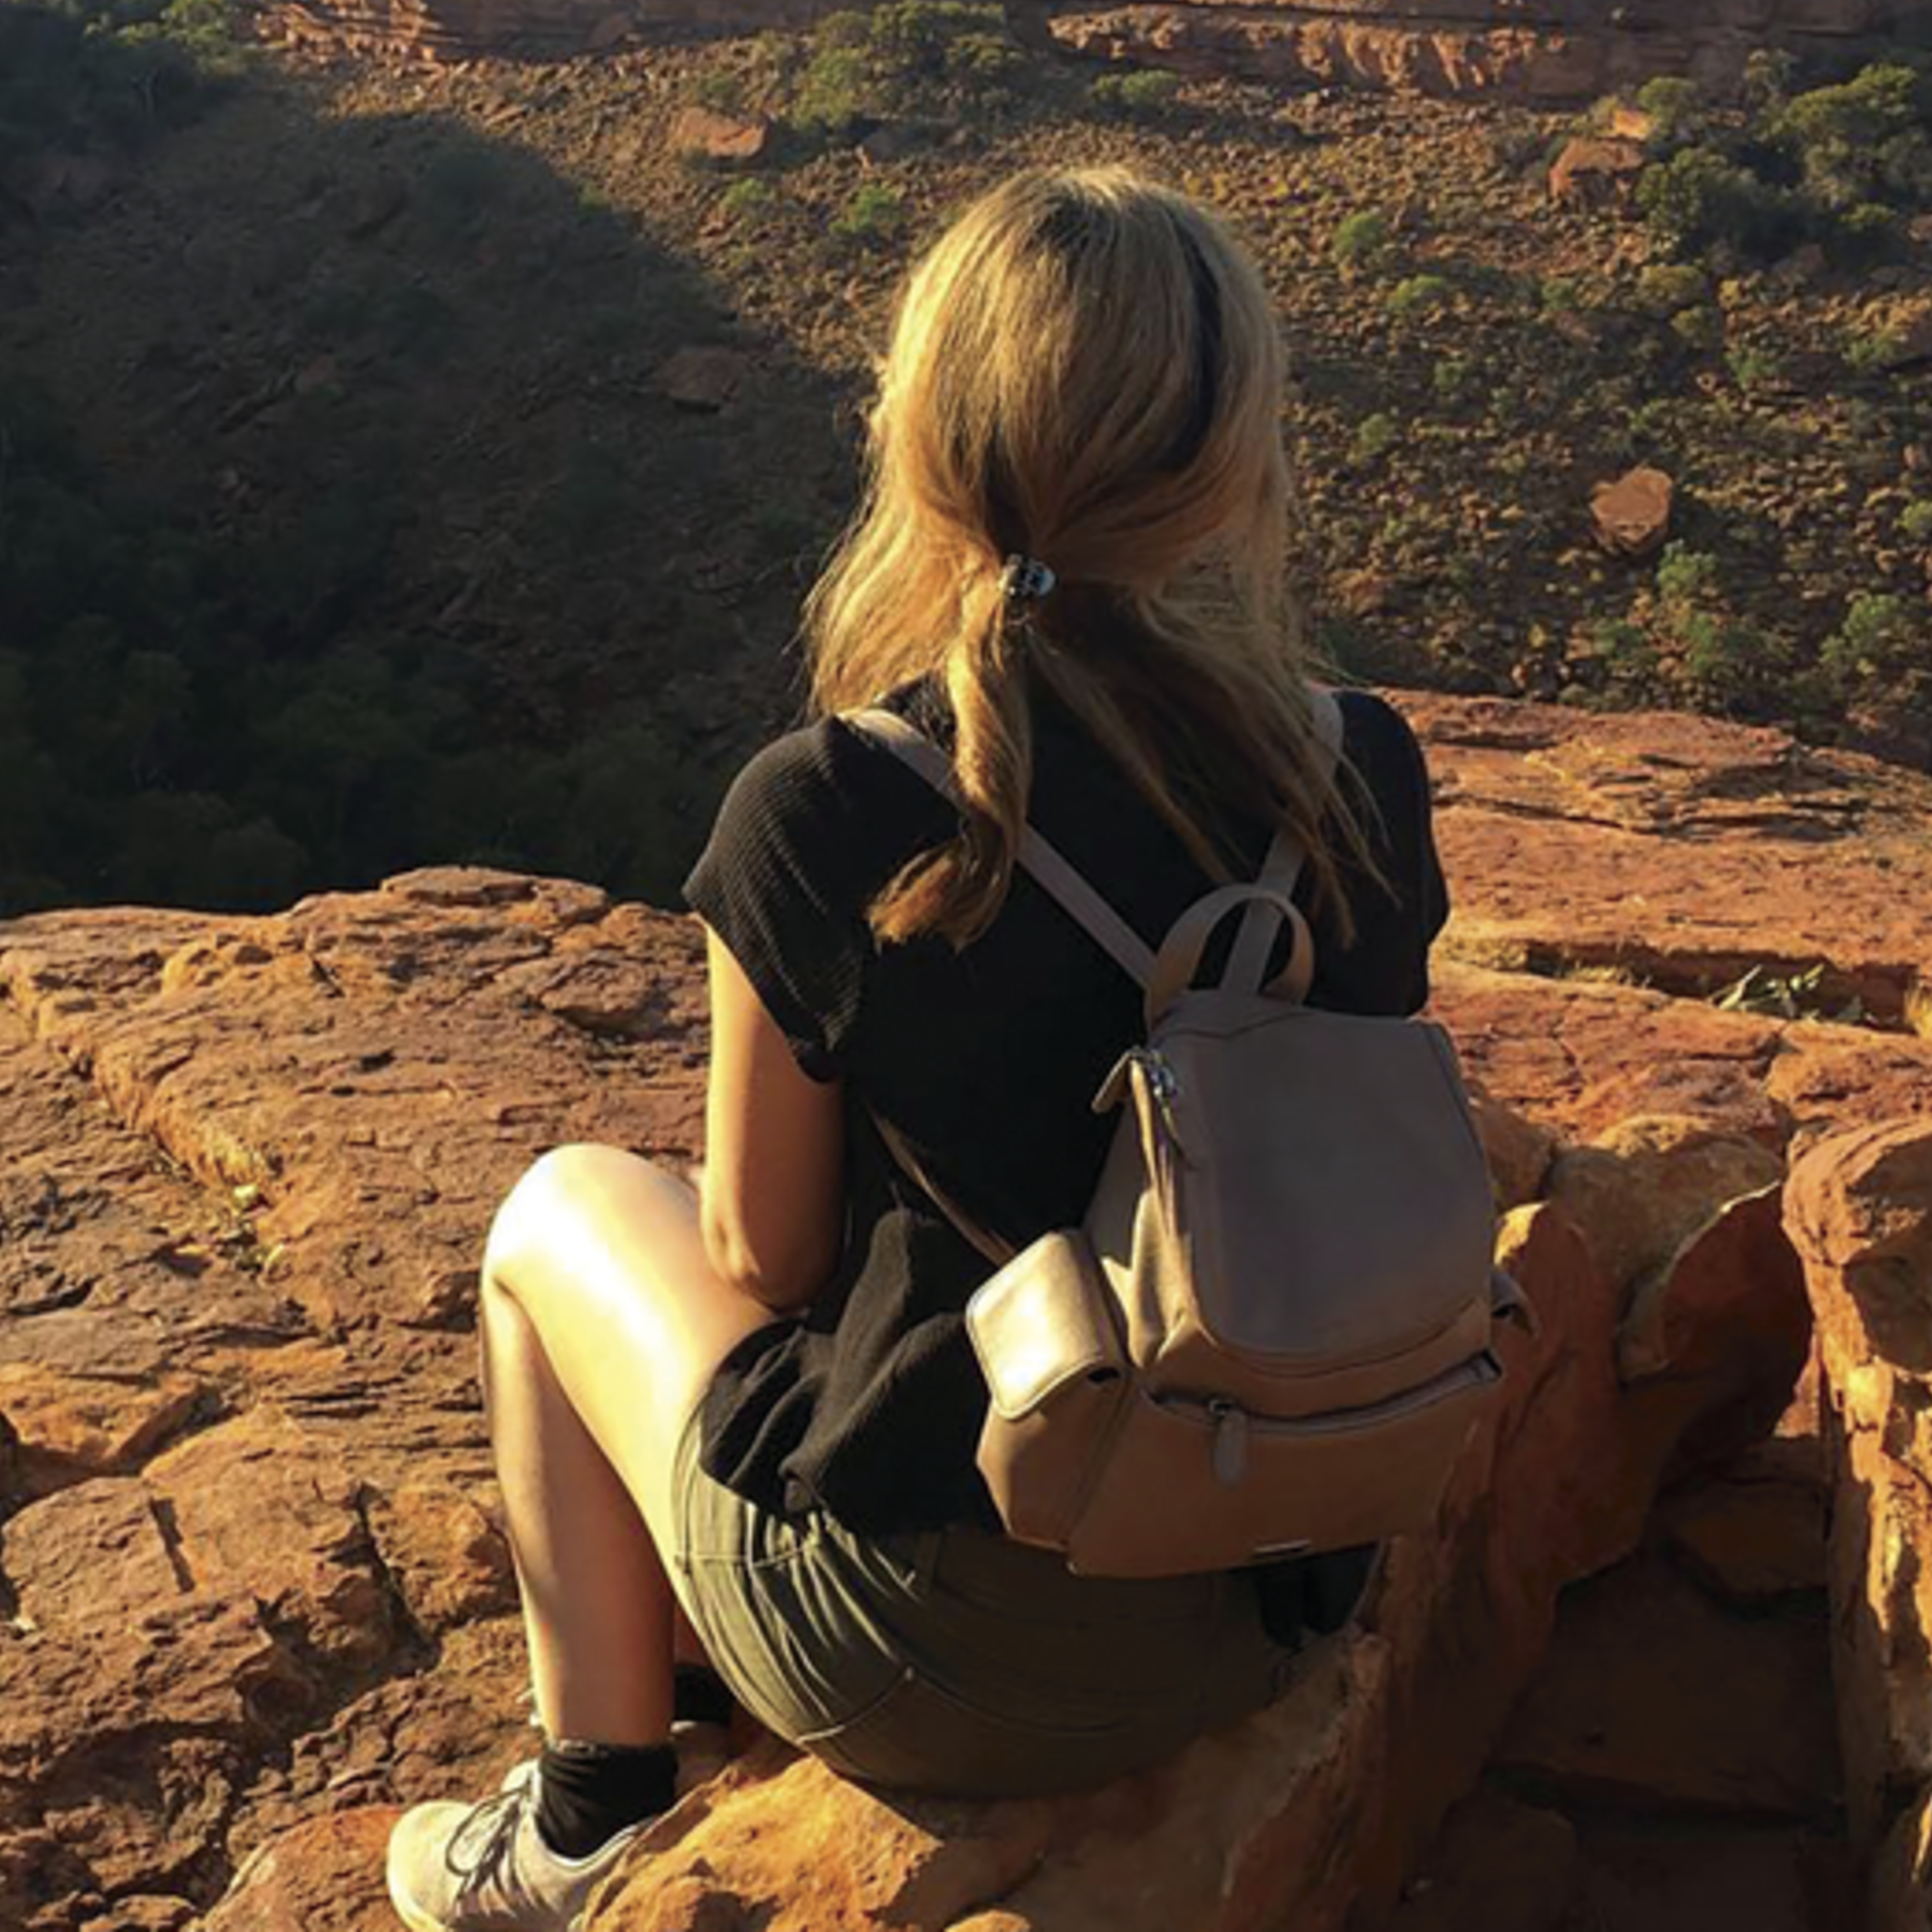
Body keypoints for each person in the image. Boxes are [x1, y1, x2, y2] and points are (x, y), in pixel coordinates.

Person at [385, 166, 1451, 1932]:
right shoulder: (1359, 768)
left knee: (564, 1215)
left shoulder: (840, 806)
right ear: (1235, 446)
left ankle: (585, 1820)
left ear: (931, 433)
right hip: (1259, 1578)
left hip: (939, 1652)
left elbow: (765, 1258)